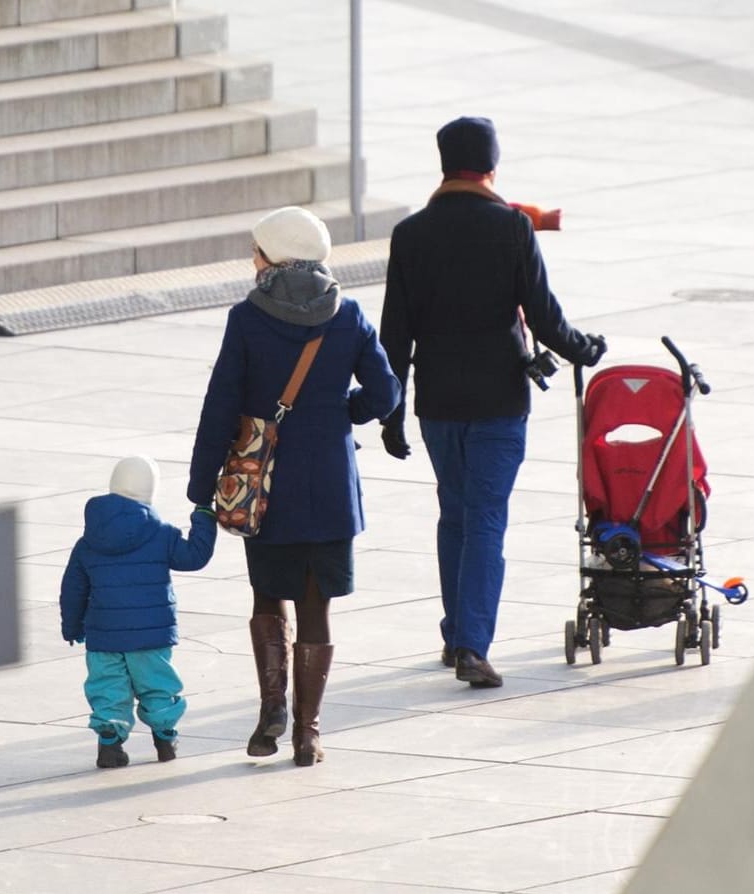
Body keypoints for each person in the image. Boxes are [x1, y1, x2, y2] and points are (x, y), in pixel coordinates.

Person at [379, 116, 606, 688]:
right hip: (499, 401)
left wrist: (391, 410)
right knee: (484, 519)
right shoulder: (510, 228)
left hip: (437, 404)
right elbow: (546, 317)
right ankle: (472, 646)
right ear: (491, 167)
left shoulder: (410, 235)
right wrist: (586, 349)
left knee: (454, 511)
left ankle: (458, 629)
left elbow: (394, 334)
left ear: (442, 165)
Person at [188, 206, 401, 767]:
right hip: (329, 479)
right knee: (316, 604)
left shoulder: (247, 318)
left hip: (266, 482)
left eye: (256, 251)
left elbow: (221, 404)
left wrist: (200, 481)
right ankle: (308, 735)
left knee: (267, 594)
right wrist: (339, 412)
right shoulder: (348, 313)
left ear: (273, 258)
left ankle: (270, 716)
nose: (252, 260)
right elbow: (386, 394)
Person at [60, 456, 217, 769]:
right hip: (151, 634)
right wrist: (204, 516)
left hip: (104, 635)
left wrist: (72, 626)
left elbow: (73, 589)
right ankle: (165, 739)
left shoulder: (88, 542)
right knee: (156, 685)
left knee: (108, 688)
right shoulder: (161, 534)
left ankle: (109, 745)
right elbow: (194, 557)